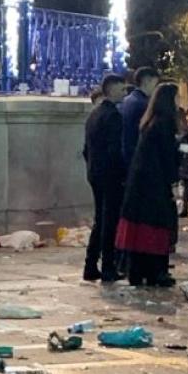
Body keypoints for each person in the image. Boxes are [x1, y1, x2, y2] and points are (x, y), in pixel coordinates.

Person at [116, 82, 182, 287]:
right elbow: (167, 157)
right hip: (155, 184)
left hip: (140, 183)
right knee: (156, 227)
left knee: (140, 229)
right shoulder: (165, 123)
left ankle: (137, 270)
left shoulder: (149, 122)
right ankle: (156, 271)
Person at [82, 74, 127, 283]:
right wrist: (121, 173)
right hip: (110, 175)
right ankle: (107, 266)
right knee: (109, 221)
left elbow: (86, 150)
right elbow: (115, 150)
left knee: (100, 220)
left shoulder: (94, 115)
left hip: (95, 173)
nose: (124, 93)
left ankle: (91, 264)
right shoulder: (113, 115)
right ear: (110, 90)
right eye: (121, 89)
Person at [120, 66, 160, 168]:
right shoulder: (144, 105)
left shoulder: (126, 100)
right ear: (146, 81)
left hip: (125, 156)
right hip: (138, 159)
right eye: (155, 84)